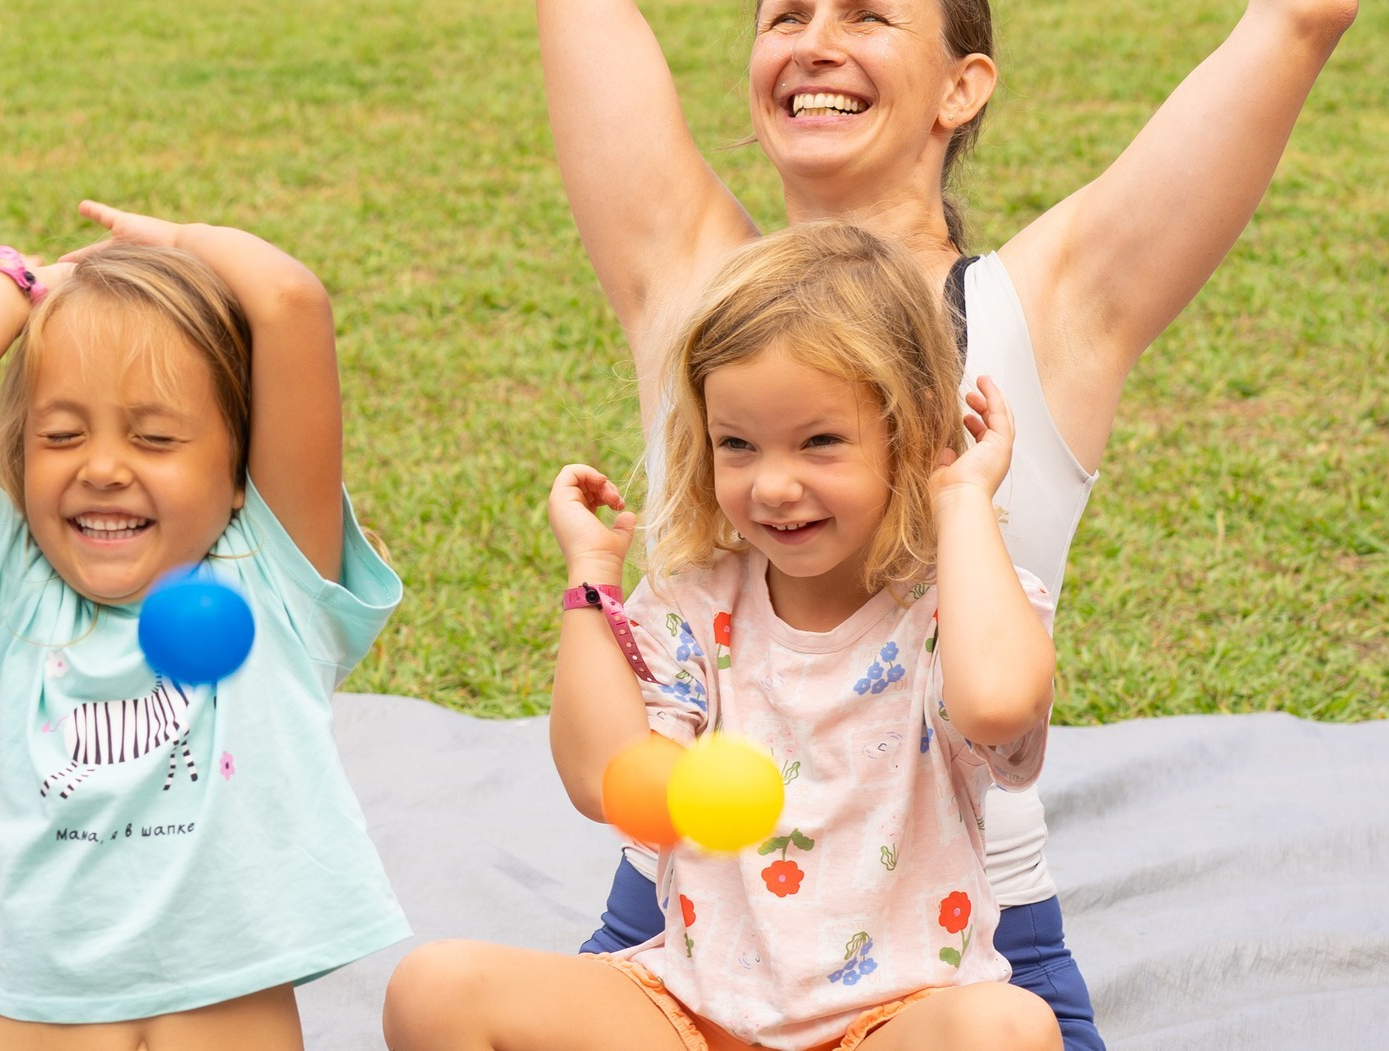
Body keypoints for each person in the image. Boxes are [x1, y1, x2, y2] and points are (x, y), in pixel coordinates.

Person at [518, 0, 1362, 1051]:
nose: (812, 43)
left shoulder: (1052, 308)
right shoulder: (695, 279)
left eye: (864, 17)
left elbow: (1302, 1)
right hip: (684, 937)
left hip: (956, 965)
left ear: (963, 86)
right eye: (784, 16)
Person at [384, 225, 1062, 1051]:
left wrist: (956, 496)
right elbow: (606, 781)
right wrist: (594, 577)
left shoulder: (958, 606)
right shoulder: (694, 601)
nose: (774, 483)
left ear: (911, 430)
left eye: (820, 441)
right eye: (737, 444)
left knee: (1010, 1028)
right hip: (690, 1015)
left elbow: (997, 708)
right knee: (437, 988)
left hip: (889, 1023)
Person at [0, 202, 408, 1048]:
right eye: (61, 434)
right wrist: (28, 282)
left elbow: (291, 302)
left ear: (238, 472)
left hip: (230, 1010)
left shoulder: (275, 575)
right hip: (46, 1017)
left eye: (155, 437)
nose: (104, 467)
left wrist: (181, 245)